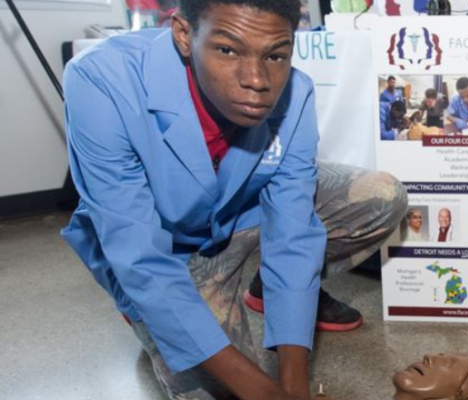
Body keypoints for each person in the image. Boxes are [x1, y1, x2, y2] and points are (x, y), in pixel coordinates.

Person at [60, 1, 407, 399]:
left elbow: (293, 232)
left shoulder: (296, 94)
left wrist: (294, 385)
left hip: (236, 216)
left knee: (381, 197)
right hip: (159, 249)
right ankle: (144, 310)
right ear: (184, 35)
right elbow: (137, 252)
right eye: (227, 50)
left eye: (276, 55)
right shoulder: (101, 81)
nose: (258, 80)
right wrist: (265, 393)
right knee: (220, 390)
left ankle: (260, 289)